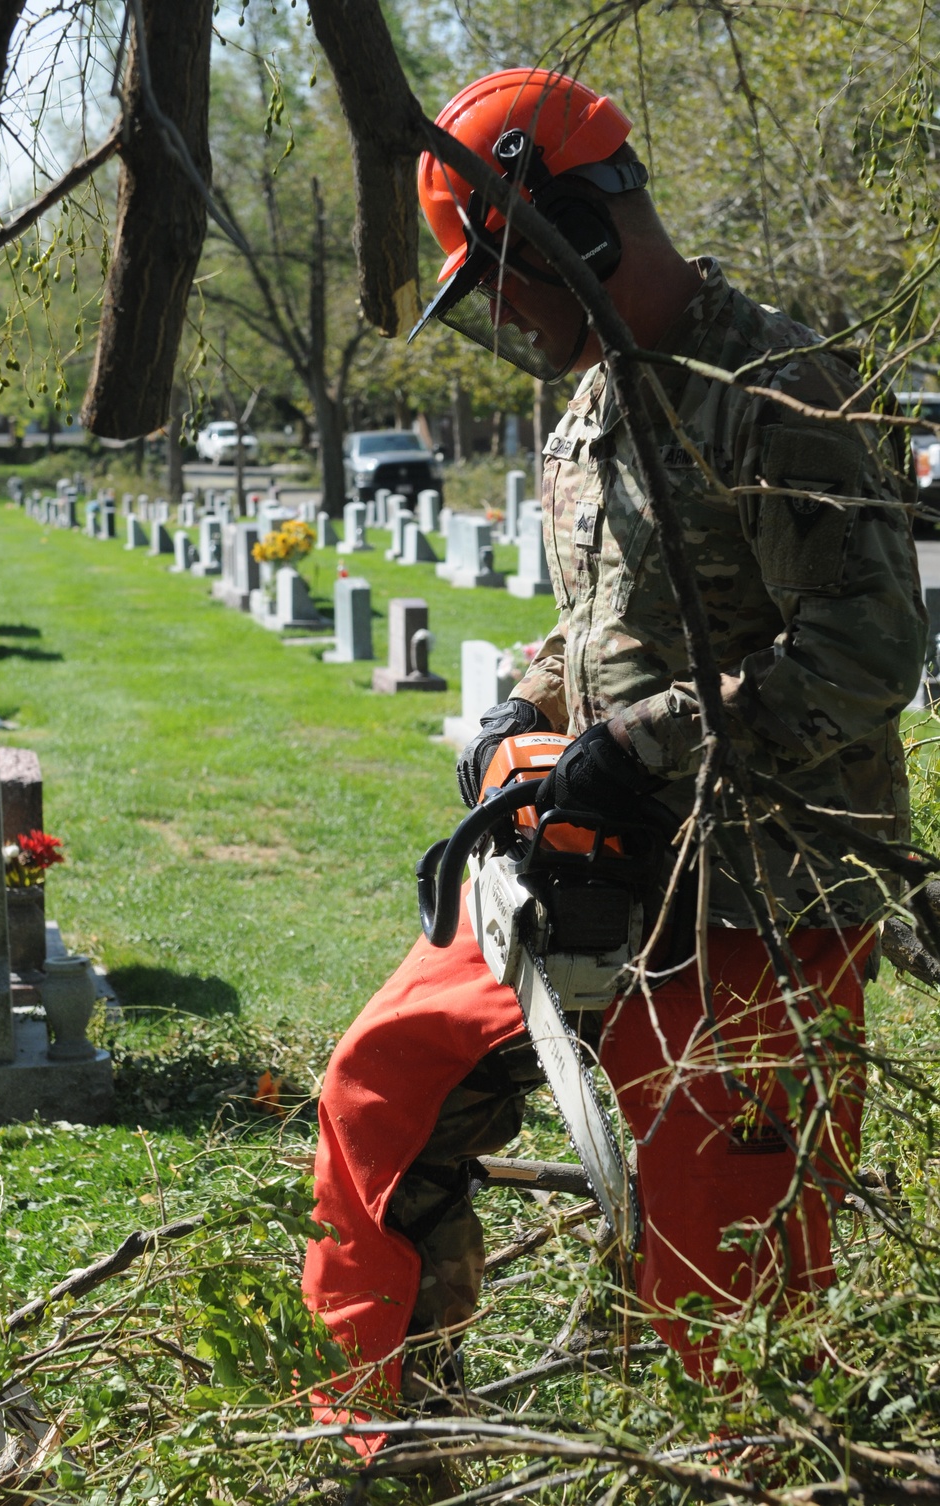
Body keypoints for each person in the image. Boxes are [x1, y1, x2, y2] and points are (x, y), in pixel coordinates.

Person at [302, 67, 926, 1422]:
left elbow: (870, 656)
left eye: (508, 274)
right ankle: (389, 1441)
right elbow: (598, 625)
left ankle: (745, 1455)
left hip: (763, 900)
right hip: (592, 875)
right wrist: (525, 708)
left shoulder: (771, 390)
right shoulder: (584, 411)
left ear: (578, 227)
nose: (506, 314)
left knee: (729, 1295)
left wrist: (642, 741)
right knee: (381, 1089)